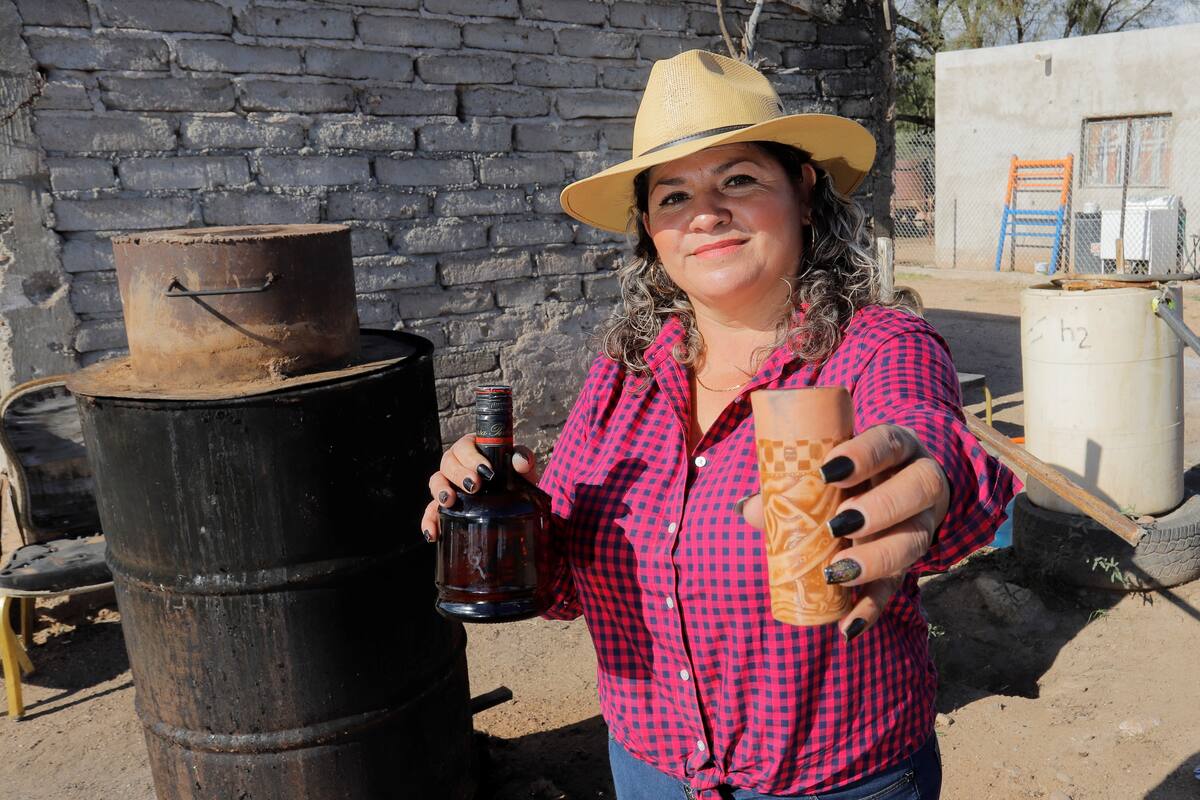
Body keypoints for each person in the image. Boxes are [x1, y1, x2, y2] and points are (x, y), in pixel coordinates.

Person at [421, 50, 1017, 800]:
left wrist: (927, 481)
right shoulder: (623, 378)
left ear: (802, 191)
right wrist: (493, 511)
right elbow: (567, 584)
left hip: (837, 784)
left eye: (738, 180)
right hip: (650, 773)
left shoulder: (877, 346)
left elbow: (930, 441)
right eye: (673, 196)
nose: (705, 213)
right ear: (649, 230)